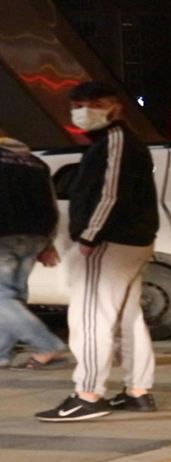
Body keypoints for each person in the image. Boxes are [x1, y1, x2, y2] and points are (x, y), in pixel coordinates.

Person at [35, 81, 160, 422]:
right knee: (127, 319)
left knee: (90, 318)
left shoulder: (116, 141)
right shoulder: (113, 141)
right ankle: (138, 391)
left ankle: (88, 395)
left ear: (114, 105)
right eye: (78, 103)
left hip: (110, 243)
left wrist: (89, 237)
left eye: (92, 102)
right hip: (126, 241)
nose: (83, 109)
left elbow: (109, 193)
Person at [0, 137, 66, 369]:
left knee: (2, 298)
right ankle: (2, 354)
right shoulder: (37, 163)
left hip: (3, 236)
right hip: (35, 237)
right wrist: (48, 242)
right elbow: (51, 204)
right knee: (12, 297)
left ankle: (48, 345)